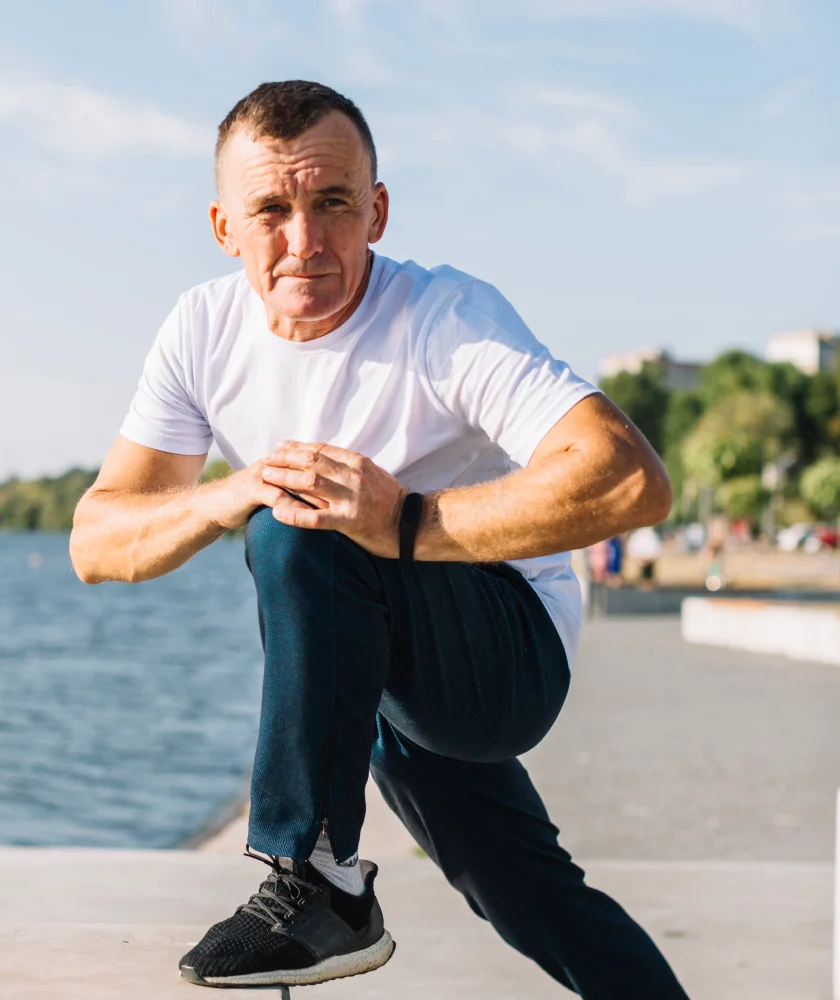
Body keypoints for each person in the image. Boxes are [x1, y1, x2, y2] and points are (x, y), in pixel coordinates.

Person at [70, 80, 688, 997]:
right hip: (369, 664)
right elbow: (97, 540)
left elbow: (630, 478)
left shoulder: (445, 318)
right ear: (224, 226)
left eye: (333, 203)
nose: (305, 240)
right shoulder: (201, 330)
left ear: (378, 211)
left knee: (302, 529)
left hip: (501, 654)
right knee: (528, 898)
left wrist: (403, 520)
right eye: (271, 211)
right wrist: (229, 492)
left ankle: (318, 877)